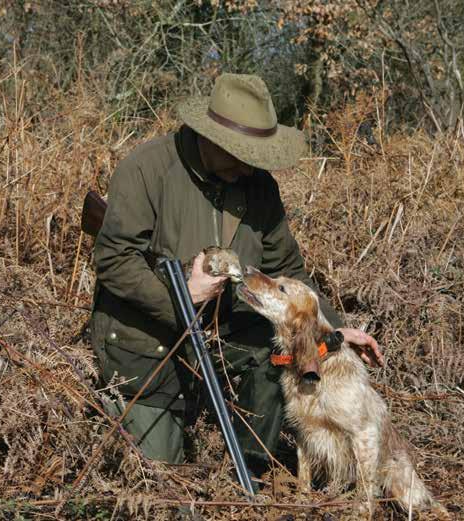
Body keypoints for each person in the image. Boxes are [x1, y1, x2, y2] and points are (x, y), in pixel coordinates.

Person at [90, 73, 383, 470]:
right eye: (242, 155)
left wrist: (330, 331)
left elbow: (286, 270)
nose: (249, 169)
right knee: (161, 474)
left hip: (222, 329)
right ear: (210, 138)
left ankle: (251, 470)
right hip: (147, 337)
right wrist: (182, 296)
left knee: (275, 356)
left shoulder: (259, 186)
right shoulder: (145, 169)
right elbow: (113, 260)